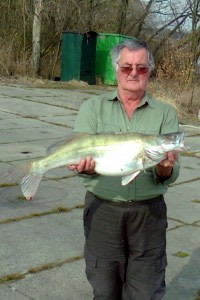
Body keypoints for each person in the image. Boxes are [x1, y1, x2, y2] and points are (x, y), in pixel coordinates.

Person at [69, 39, 180, 300]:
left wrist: (164, 168)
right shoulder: (91, 109)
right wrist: (82, 168)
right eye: (127, 67)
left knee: (146, 290)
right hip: (103, 212)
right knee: (105, 288)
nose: (133, 73)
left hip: (148, 215)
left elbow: (169, 174)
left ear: (149, 71)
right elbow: (81, 163)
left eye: (141, 68)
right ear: (116, 69)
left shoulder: (165, 114)